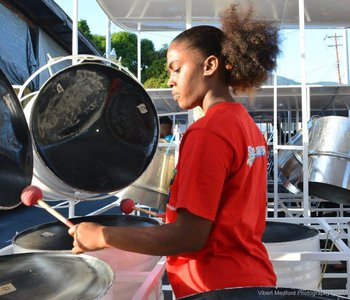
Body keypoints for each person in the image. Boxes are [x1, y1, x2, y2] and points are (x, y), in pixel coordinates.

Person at [69, 3, 280, 298]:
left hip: (216, 287)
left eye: (177, 69)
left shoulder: (209, 131)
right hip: (250, 278)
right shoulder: (245, 124)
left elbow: (189, 236)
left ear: (209, 66)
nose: (170, 79)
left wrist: (102, 236)